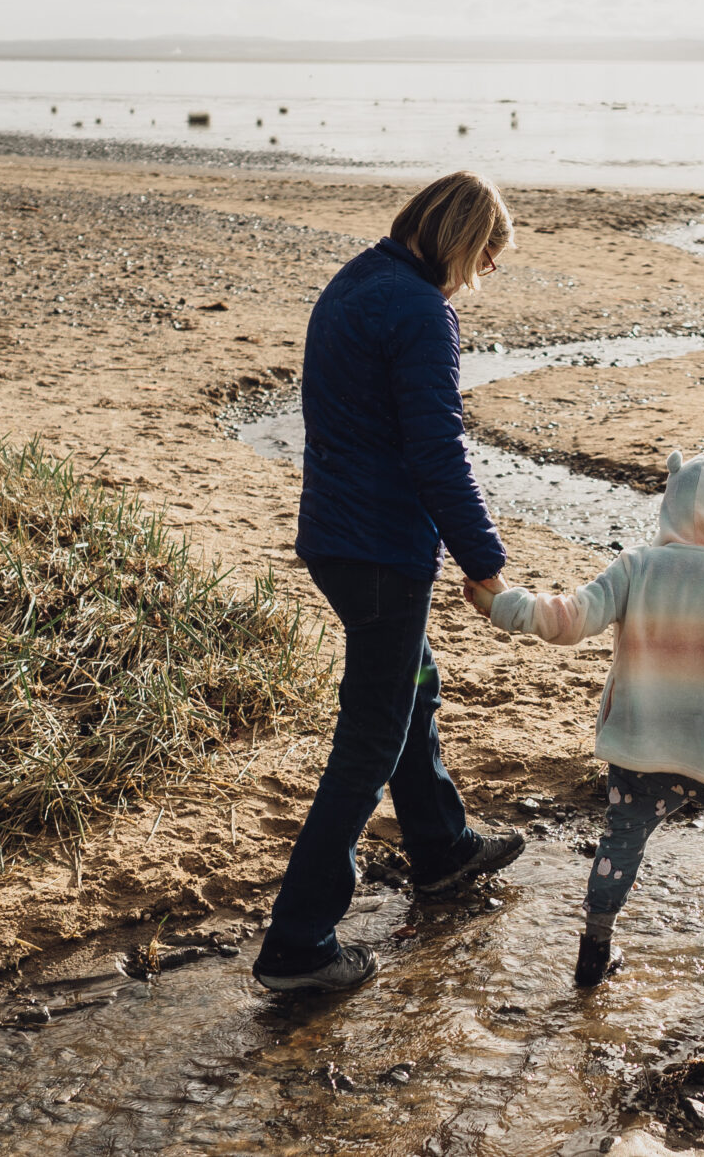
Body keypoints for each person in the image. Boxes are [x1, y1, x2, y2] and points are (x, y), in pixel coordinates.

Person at [252, 171, 527, 994]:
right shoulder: (418, 309)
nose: (480, 275)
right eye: (485, 256)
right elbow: (436, 448)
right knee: (369, 736)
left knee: (414, 684)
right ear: (461, 236)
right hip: (378, 548)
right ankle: (297, 943)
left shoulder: (356, 280)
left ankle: (441, 847)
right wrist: (484, 558)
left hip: (339, 537)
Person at [464, 448, 704, 990]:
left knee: (620, 844)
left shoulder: (636, 566)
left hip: (639, 749)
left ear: (671, 502)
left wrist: (503, 604)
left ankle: (594, 951)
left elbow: (571, 617)